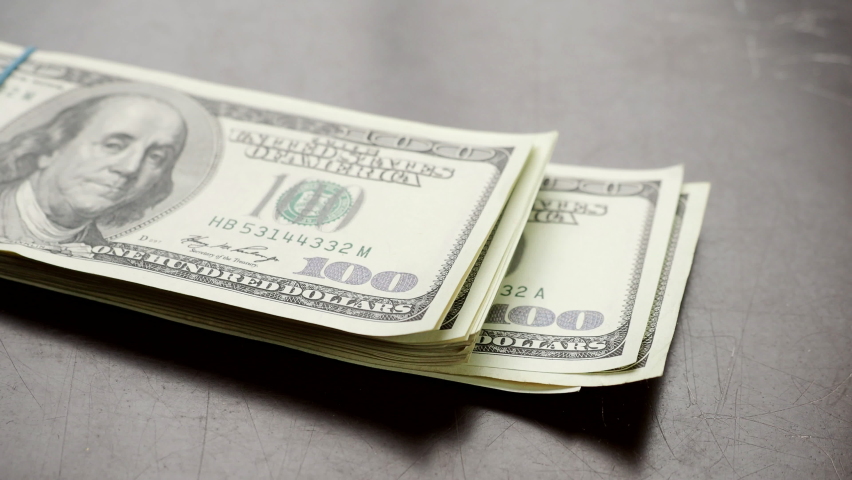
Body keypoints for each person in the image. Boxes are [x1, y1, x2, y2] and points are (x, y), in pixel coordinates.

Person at [0, 94, 187, 245]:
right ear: (52, 148)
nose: (130, 168)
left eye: (156, 157)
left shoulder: (98, 249)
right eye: (113, 145)